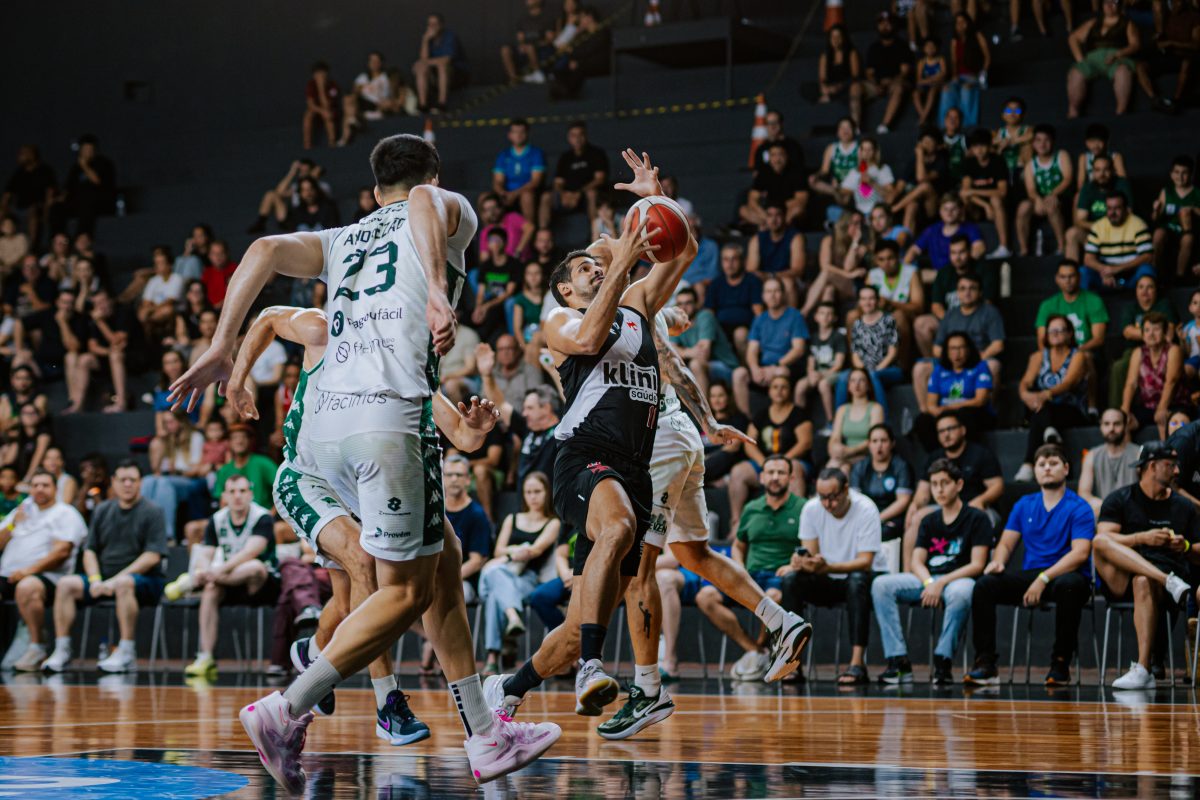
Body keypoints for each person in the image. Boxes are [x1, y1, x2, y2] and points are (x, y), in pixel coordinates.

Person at [170, 133, 560, 790]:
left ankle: (485, 734)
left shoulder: (342, 237)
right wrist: (437, 288)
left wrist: (221, 345)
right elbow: (425, 204)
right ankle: (288, 707)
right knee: (403, 592)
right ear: (433, 176)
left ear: (375, 189)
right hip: (387, 420)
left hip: (327, 430)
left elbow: (262, 250)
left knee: (443, 558)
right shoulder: (442, 206)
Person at [483, 150, 702, 727]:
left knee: (580, 620)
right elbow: (587, 339)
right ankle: (593, 670)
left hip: (633, 467)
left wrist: (655, 201)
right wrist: (620, 259)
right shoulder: (557, 322)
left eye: (596, 265)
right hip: (583, 457)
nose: (595, 270)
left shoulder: (638, 305)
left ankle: (509, 687)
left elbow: (685, 250)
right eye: (584, 269)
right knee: (620, 527)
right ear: (563, 288)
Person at [963, 444, 1093, 686]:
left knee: (1070, 586)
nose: (1047, 468)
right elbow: (1006, 544)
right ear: (1035, 472)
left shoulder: (1079, 507)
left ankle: (1060, 664)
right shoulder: (1024, 504)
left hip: (1066, 574)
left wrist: (1044, 579)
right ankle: (986, 664)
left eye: (1053, 463)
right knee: (984, 585)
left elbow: (1080, 554)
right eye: (1041, 464)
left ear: (1066, 469)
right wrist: (998, 562)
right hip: (1032, 575)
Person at [690, 455, 808, 685]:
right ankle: (756, 650)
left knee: (773, 597)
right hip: (751, 575)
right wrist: (739, 569)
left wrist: (793, 565)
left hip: (780, 577)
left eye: (781, 473)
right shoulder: (751, 508)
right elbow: (738, 545)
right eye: (770, 473)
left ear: (791, 478)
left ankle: (760, 649)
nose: (775, 478)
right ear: (762, 478)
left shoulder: (803, 508)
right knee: (705, 597)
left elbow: (809, 548)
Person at [871, 459, 989, 684]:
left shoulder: (977, 517)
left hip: (959, 579)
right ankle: (898, 661)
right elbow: (917, 561)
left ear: (959, 485)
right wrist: (929, 583)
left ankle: (943, 661)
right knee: (881, 585)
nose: (939, 489)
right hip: (928, 579)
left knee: (962, 592)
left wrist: (940, 583)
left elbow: (977, 564)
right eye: (934, 484)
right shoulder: (928, 520)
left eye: (945, 483)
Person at [42, 461, 168, 673]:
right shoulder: (102, 509)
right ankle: (62, 650)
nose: (127, 484)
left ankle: (126, 651)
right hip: (103, 579)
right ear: (113, 482)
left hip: (144, 581)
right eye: (122, 480)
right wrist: (95, 580)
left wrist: (115, 580)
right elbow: (90, 551)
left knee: (124, 583)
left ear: (140, 483)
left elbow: (152, 556)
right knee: (65, 584)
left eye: (132, 480)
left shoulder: (153, 511)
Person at [1092, 441, 1199, 688]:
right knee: (1099, 541)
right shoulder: (1120, 498)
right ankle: (1169, 583)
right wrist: (1142, 538)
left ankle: (1143, 669)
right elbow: (1105, 538)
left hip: (1164, 575)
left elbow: (1197, 551)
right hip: (1123, 577)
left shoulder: (1183, 506)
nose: (1176, 471)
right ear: (1152, 466)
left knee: (1142, 581)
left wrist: (1183, 546)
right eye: (1170, 465)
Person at [780, 468, 884, 686]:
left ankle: (857, 664)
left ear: (846, 489)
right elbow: (810, 554)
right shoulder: (811, 508)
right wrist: (801, 563)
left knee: (857, 580)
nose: (827, 504)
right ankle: (793, 663)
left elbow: (865, 561)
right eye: (823, 497)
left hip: (858, 579)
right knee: (791, 581)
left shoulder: (866, 508)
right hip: (825, 577)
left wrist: (826, 567)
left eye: (833, 497)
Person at [183, 474, 279, 678]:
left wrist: (214, 572)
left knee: (254, 567)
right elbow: (205, 554)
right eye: (232, 492)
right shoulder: (217, 519)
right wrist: (205, 570)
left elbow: (251, 552)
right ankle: (205, 657)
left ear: (250, 494)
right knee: (210, 590)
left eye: (242, 491)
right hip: (228, 582)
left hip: (261, 585)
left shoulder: (262, 517)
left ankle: (190, 582)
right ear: (224, 496)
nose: (237, 496)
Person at [0, 471, 87, 672]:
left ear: (56, 489)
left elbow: (62, 552)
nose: (39, 489)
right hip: (8, 574)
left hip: (49, 577)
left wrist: (28, 571)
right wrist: (13, 524)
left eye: (45, 485)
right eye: (35, 485)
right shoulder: (22, 510)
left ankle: (37, 646)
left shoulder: (65, 513)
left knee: (27, 586)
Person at [479, 472, 560, 675]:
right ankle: (512, 615)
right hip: (505, 571)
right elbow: (498, 550)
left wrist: (515, 552)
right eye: (528, 492)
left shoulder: (553, 522)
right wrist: (516, 551)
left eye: (537, 491)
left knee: (494, 593)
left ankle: (492, 658)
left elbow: (536, 550)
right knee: (497, 575)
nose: (533, 497)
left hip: (528, 578)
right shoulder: (512, 518)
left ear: (546, 493)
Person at [902, 410, 1004, 567]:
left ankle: (986, 568)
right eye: (941, 431)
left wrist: (980, 500)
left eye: (950, 429)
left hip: (977, 506)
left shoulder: (980, 454)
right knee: (916, 518)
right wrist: (915, 505)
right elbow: (923, 491)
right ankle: (909, 573)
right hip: (944, 507)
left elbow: (997, 486)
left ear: (962, 430)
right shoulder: (934, 457)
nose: (946, 434)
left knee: (981, 517)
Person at [727, 375, 814, 526]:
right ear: (769, 391)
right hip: (765, 462)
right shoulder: (761, 415)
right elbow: (748, 443)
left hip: (794, 461)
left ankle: (796, 523)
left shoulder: (799, 414)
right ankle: (737, 523)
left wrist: (782, 462)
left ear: (790, 391)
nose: (779, 391)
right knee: (738, 472)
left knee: (794, 468)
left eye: (783, 387)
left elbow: (805, 443)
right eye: (775, 387)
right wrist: (765, 463)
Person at [1013, 315, 1089, 482]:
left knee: (1040, 413)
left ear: (1070, 333)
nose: (1055, 333)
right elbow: (1025, 382)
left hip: (1070, 409)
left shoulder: (1078, 356)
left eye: (1061, 330)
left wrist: (1044, 395)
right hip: (1042, 408)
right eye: (1052, 330)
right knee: (1042, 410)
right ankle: (1049, 431)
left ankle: (1028, 464)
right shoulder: (1038, 356)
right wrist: (1026, 396)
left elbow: (1068, 383)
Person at [732, 277, 809, 415]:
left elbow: (798, 349)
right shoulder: (760, 319)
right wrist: (755, 368)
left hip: (787, 366)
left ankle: (783, 417)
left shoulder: (795, 316)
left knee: (780, 372)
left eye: (776, 291)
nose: (772, 295)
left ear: (783, 294)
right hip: (764, 367)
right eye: (768, 291)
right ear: (763, 296)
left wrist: (776, 366)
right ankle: (746, 420)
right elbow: (752, 350)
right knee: (739, 374)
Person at [1034, 261, 1108, 403]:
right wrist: (1051, 358)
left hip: (1086, 352)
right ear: (1056, 279)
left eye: (1071, 276)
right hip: (1056, 353)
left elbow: (1099, 338)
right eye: (1063, 277)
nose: (1067, 281)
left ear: (1079, 277)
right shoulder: (1047, 305)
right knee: (1036, 358)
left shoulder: (1093, 301)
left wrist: (1074, 353)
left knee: (1084, 357)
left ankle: (1091, 407)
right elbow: (1042, 340)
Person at [914, 234, 994, 358]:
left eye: (961, 252)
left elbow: (988, 303)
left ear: (969, 251)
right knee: (921, 323)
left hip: (975, 320)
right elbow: (936, 305)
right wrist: (952, 322)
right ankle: (935, 363)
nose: (957, 257)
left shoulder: (983, 270)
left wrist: (966, 320)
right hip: (949, 320)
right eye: (953, 253)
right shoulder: (944, 273)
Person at [913, 332, 994, 450]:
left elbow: (979, 400)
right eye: (953, 348)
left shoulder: (980, 367)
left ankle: (968, 453)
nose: (957, 353)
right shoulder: (939, 370)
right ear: (946, 351)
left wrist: (950, 409)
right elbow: (931, 404)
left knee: (965, 414)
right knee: (923, 420)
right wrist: (941, 413)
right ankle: (938, 455)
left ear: (968, 349)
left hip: (973, 412)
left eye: (961, 347)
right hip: (946, 412)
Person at [1067, 0, 1141, 118]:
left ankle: (1121, 111)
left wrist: (1118, 54)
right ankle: (1073, 111)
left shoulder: (1127, 23)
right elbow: (1073, 38)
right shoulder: (1094, 22)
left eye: (1113, 2)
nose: (1109, 5)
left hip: (1116, 57)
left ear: (1119, 5)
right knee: (1076, 72)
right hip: (1092, 58)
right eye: (1107, 2)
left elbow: (1135, 45)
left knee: (1123, 71)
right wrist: (1080, 59)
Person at [1122, 312, 1186, 439]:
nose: (1151, 334)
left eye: (1156, 329)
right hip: (1148, 406)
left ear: (1165, 332)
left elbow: (1171, 381)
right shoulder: (1138, 352)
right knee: (1122, 423)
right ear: (1142, 334)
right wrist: (1124, 411)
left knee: (1167, 420)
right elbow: (1131, 384)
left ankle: (1167, 451)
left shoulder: (1173, 350)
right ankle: (1128, 452)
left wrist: (1162, 408)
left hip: (1174, 404)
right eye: (1147, 330)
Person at [838, 285, 901, 411]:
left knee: (873, 376)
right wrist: (862, 372)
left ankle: (882, 418)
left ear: (877, 300)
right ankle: (840, 417)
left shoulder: (889, 320)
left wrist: (874, 370)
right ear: (859, 302)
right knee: (843, 377)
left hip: (889, 369)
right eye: (863, 299)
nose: (867, 302)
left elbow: (892, 353)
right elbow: (855, 355)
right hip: (865, 370)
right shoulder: (857, 324)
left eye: (871, 298)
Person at [800, 209, 871, 318]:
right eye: (855, 223)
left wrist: (854, 242)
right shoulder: (829, 240)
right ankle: (825, 325)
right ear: (845, 223)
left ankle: (803, 312)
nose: (858, 227)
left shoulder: (862, 245)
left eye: (860, 223)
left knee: (827, 274)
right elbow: (825, 266)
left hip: (853, 286)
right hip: (834, 283)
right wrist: (848, 274)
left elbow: (848, 267)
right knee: (829, 290)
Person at [1016, 124, 1074, 257]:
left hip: (1061, 197)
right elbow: (1031, 189)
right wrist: (1037, 199)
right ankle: (1023, 249)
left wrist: (1052, 194)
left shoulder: (1061, 155)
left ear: (1052, 141)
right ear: (1033, 143)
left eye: (1046, 140)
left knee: (1051, 204)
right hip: (1040, 200)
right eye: (1038, 140)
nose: (1042, 144)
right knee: (1023, 207)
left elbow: (1068, 178)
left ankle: (1061, 246)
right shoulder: (1031, 164)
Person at [443, 454, 493, 605]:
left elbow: (476, 561)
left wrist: (443, 579)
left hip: (463, 582)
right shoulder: (435, 509)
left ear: (468, 480)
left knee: (443, 594)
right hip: (434, 576)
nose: (453, 479)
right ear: (442, 478)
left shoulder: (477, 514)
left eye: (459, 475)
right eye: (449, 475)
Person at [851, 424, 914, 544]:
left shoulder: (901, 466)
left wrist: (879, 519)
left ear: (892, 443)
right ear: (869, 444)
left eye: (884, 440)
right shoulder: (860, 466)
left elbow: (903, 501)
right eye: (874, 441)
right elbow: (855, 499)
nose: (879, 445)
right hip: (865, 516)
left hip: (892, 516)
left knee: (883, 532)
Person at [539, 121, 608, 228]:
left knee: (592, 193)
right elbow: (558, 182)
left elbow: (599, 179)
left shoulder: (597, 153)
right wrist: (563, 194)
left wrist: (578, 193)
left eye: (581, 135)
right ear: (569, 138)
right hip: (567, 196)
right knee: (546, 197)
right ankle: (543, 233)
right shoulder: (565, 157)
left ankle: (596, 233)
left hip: (585, 196)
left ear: (586, 136)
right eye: (574, 135)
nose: (577, 139)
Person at [671, 287, 739, 394]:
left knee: (695, 364)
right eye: (680, 304)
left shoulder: (705, 316)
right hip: (700, 366)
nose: (683, 307)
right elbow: (670, 351)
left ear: (696, 304)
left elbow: (703, 353)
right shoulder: (677, 321)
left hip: (725, 367)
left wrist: (682, 352)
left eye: (688, 303)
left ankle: (704, 405)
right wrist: (688, 352)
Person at [866, 240, 924, 364]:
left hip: (906, 319)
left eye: (890, 258)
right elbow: (862, 302)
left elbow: (919, 307)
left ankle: (903, 366)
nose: (886, 263)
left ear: (898, 257)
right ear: (876, 260)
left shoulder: (911, 272)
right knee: (852, 316)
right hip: (877, 317)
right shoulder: (873, 275)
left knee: (898, 316)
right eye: (881, 259)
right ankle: (859, 365)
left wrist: (891, 304)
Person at [1067, 154, 1133, 262]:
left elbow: (1128, 215)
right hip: (1096, 234)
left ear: (1113, 171)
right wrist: (1100, 227)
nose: (1102, 174)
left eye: (1106, 170)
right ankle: (1070, 270)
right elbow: (1080, 220)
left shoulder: (1122, 185)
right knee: (1072, 233)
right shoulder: (1087, 188)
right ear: (1092, 172)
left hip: (1119, 232)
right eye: (1097, 170)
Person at [959, 129, 1012, 259]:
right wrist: (985, 205)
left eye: (982, 145)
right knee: (963, 199)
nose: (979, 150)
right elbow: (965, 192)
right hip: (977, 205)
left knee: (995, 199)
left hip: (998, 205)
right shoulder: (968, 163)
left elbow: (1002, 191)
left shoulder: (998, 161)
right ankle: (963, 247)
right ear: (971, 149)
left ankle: (1004, 247)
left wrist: (974, 191)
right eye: (976, 146)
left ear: (989, 146)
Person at [49, 135, 116, 238]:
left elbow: (97, 181)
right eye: (85, 149)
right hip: (77, 202)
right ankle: (59, 238)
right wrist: (60, 198)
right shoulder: (76, 168)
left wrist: (85, 166)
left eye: (90, 149)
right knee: (57, 208)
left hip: (99, 201)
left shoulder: (103, 163)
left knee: (87, 200)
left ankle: (81, 238)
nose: (87, 152)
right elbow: (68, 187)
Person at [706, 243, 762, 362]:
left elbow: (759, 312)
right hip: (721, 330)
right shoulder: (716, 284)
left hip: (746, 329)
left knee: (740, 334)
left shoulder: (752, 281)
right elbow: (708, 314)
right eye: (726, 259)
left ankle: (747, 368)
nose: (730, 264)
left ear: (742, 261)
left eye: (734, 259)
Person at [1079, 408, 1141, 515]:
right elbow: (1083, 493)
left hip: (1133, 512)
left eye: (1117, 424)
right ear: (1101, 426)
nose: (1111, 428)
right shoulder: (1092, 455)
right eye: (1107, 424)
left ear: (1125, 426)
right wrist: (1107, 506)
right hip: (1103, 511)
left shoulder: (1139, 453)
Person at [905, 193, 986, 273]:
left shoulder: (969, 228)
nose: (949, 213)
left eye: (953, 209)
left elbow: (979, 247)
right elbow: (914, 250)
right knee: (914, 274)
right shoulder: (932, 230)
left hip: (960, 272)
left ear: (960, 210)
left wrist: (964, 266)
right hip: (936, 274)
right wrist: (905, 268)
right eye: (945, 209)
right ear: (940, 211)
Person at [795, 302, 846, 426]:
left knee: (823, 385)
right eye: (822, 313)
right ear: (816, 317)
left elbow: (838, 365)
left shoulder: (838, 337)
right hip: (817, 373)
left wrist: (821, 375)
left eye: (829, 314)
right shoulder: (813, 337)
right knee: (800, 385)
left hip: (833, 372)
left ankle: (830, 421)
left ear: (834, 318)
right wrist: (811, 374)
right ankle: (799, 422)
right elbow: (810, 362)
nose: (825, 317)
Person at [746, 205, 806, 307]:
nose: (773, 220)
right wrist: (766, 277)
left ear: (784, 217)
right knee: (752, 281)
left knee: (788, 282)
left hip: (790, 279)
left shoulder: (795, 237)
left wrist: (771, 276)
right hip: (765, 278)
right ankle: (759, 316)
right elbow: (751, 270)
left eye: (778, 215)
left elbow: (797, 270)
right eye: (769, 215)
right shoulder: (757, 239)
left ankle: (791, 317)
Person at [938, 13, 990, 127]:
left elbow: (987, 56)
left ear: (968, 23)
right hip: (959, 77)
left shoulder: (977, 35)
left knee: (966, 90)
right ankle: (944, 126)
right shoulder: (954, 41)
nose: (960, 25)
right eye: (957, 23)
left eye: (963, 22)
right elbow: (954, 61)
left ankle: (967, 125)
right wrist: (954, 76)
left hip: (975, 76)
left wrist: (982, 74)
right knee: (946, 90)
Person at [864, 11, 912, 135]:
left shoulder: (902, 46)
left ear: (894, 25)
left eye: (888, 23)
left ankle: (884, 125)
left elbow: (905, 71)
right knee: (855, 88)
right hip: (877, 84)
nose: (885, 26)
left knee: (899, 87)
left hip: (895, 82)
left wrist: (891, 82)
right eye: (882, 23)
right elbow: (869, 73)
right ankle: (855, 127)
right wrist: (876, 84)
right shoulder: (874, 48)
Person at [740, 144, 808, 229]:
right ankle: (771, 226)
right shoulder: (763, 172)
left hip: (786, 211)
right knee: (743, 210)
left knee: (798, 209)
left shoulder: (796, 172)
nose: (777, 159)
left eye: (780, 154)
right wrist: (767, 217)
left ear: (786, 156)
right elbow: (752, 199)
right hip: (768, 212)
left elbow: (802, 199)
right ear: (769, 158)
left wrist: (779, 210)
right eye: (773, 155)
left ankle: (780, 227)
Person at [828, 368, 885, 469]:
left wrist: (850, 451)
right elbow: (834, 438)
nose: (857, 384)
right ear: (848, 386)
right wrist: (834, 449)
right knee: (833, 465)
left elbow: (874, 439)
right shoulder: (842, 409)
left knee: (843, 468)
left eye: (861, 380)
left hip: (867, 456)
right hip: (845, 456)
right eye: (853, 380)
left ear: (868, 385)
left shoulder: (876, 408)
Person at [1151, 155, 1197, 279]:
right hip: (1168, 229)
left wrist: (1192, 209)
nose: (1180, 176)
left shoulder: (1197, 193)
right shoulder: (1166, 192)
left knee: (1188, 239)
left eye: (1184, 173)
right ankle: (1154, 273)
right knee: (1158, 234)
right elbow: (1155, 219)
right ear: (1171, 174)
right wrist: (1156, 209)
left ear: (1190, 175)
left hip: (1187, 230)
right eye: (1176, 172)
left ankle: (1179, 276)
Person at [492, 119, 546, 223]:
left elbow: (535, 181)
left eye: (522, 132)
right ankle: (489, 231)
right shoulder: (503, 155)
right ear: (509, 135)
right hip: (507, 193)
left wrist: (514, 194)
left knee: (527, 196)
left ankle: (530, 228)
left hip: (527, 192)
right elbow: (497, 181)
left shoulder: (536, 153)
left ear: (527, 134)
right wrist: (502, 193)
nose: (518, 135)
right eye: (515, 132)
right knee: (484, 198)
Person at [412, 13, 468, 113]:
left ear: (441, 25)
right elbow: (423, 59)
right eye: (430, 24)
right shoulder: (428, 39)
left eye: (435, 24)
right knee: (421, 68)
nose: (432, 27)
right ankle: (422, 105)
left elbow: (446, 60)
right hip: (435, 77)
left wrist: (425, 62)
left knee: (441, 66)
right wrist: (425, 41)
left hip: (456, 75)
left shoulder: (450, 36)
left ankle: (442, 104)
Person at [1, 145, 56, 247]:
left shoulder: (44, 170)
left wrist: (47, 210)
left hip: (36, 207)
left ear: (32, 154)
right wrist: (4, 208)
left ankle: (31, 246)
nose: (20, 156)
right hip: (18, 208)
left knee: (32, 212)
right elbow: (7, 194)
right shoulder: (19, 173)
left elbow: (50, 192)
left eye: (23, 153)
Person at [818, 25, 864, 124]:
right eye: (833, 37)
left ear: (844, 38)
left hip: (847, 85)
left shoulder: (851, 53)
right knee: (811, 91)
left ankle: (855, 125)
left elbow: (855, 76)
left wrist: (838, 87)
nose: (836, 39)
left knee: (854, 89)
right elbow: (822, 78)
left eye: (838, 36)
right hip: (831, 87)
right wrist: (824, 88)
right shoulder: (825, 56)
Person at [808, 117, 860, 203]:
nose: (845, 131)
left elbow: (863, 170)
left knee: (864, 188)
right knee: (812, 181)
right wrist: (816, 175)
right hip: (836, 184)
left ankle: (842, 194)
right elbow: (824, 170)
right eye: (842, 128)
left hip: (853, 185)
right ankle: (837, 193)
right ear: (837, 132)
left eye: (848, 127)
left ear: (854, 130)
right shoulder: (832, 148)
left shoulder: (859, 148)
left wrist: (851, 184)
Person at [302, 62, 341, 150]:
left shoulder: (333, 86)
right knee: (308, 115)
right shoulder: (311, 84)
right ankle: (307, 144)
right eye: (317, 74)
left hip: (330, 110)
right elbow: (311, 105)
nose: (320, 76)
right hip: (317, 110)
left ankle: (332, 142)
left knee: (328, 115)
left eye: (322, 73)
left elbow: (327, 105)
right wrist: (321, 111)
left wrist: (321, 88)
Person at [912, 37, 948, 126]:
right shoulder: (922, 62)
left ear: (936, 48)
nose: (930, 49)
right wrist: (932, 79)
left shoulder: (940, 59)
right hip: (927, 84)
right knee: (915, 94)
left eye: (932, 47)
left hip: (937, 85)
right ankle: (923, 116)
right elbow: (919, 80)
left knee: (932, 91)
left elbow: (943, 74)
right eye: (928, 47)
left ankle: (923, 118)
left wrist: (929, 79)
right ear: (924, 49)